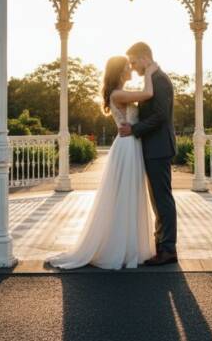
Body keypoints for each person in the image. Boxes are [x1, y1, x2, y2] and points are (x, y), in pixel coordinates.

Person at [47, 55, 158, 270]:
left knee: (130, 194)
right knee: (124, 194)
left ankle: (128, 245)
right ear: (119, 72)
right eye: (127, 67)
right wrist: (151, 73)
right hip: (126, 146)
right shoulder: (118, 94)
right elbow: (148, 93)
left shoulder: (119, 93)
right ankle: (118, 247)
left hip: (130, 144)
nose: (131, 70)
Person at [119, 42, 178, 266]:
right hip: (154, 147)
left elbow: (161, 116)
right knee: (158, 200)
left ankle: (168, 249)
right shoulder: (152, 79)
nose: (132, 67)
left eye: (134, 62)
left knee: (162, 200)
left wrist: (134, 130)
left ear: (145, 57)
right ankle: (161, 245)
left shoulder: (159, 80)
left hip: (159, 148)